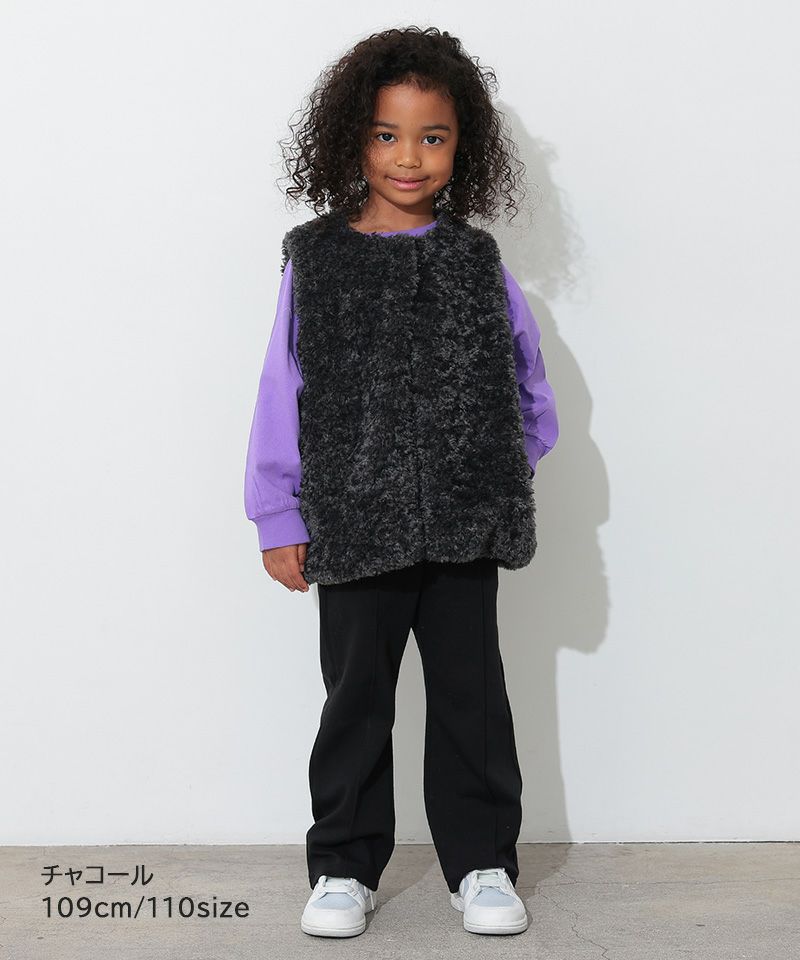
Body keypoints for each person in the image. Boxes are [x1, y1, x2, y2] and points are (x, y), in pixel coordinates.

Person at [244, 26, 559, 938]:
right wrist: (278, 513)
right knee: (355, 699)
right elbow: (282, 390)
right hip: (352, 521)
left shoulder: (474, 261)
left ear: (464, 147)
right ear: (352, 138)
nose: (409, 157)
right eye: (387, 134)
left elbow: (526, 385)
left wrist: (492, 468)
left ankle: (483, 862)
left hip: (465, 524)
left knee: (472, 698)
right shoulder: (317, 262)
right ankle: (344, 866)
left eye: (433, 136)